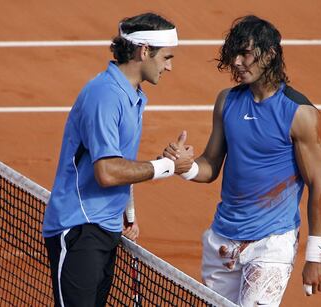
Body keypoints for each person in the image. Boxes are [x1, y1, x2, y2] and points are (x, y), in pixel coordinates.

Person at [165, 15, 321, 306]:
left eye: (245, 54)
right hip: (222, 241)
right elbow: (210, 165)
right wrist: (185, 167)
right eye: (233, 54)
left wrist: (316, 256)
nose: (237, 62)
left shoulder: (300, 114)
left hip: (271, 242)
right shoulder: (226, 101)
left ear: (270, 54)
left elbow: (319, 185)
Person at [42, 13, 193, 307]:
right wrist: (169, 166)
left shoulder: (132, 96)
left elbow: (121, 160)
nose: (170, 66)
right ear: (144, 51)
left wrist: (129, 213)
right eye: (166, 57)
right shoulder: (106, 96)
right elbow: (108, 172)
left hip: (105, 229)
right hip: (79, 229)